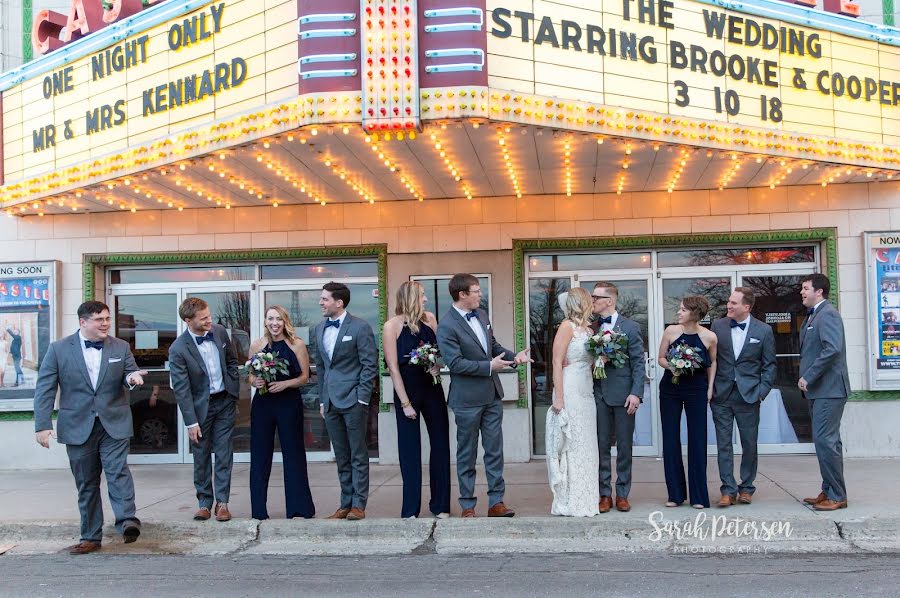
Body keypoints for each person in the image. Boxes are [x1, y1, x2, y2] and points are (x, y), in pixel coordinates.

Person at [33, 301, 148, 554]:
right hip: (76, 426)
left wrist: (132, 379)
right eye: (99, 319)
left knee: (118, 472)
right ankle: (91, 537)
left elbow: (130, 373)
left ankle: (127, 521)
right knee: (86, 483)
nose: (105, 323)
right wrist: (42, 425)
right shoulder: (58, 349)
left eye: (107, 318)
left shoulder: (120, 346)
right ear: (83, 322)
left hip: (114, 422)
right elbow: (45, 389)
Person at [436, 273, 532, 518]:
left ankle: (496, 502)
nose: (481, 294)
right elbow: (455, 364)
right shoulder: (446, 325)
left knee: (494, 451)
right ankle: (467, 505)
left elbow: (494, 347)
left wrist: (514, 358)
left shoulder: (481, 315)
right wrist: (489, 366)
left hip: (491, 396)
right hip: (466, 400)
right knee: (467, 454)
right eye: (476, 291)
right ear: (462, 295)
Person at [169, 297, 241, 522]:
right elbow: (181, 389)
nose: (210, 321)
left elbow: (231, 360)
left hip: (224, 402)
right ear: (188, 321)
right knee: (201, 457)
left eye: (209, 316)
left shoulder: (219, 332)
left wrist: (233, 385)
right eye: (204, 319)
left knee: (224, 453)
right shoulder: (178, 348)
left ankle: (222, 503)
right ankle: (204, 503)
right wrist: (191, 422)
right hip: (200, 409)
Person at [383, 281, 451, 519]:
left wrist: (437, 367)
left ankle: (441, 505)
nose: (425, 300)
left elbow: (444, 353)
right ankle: (410, 509)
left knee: (441, 445)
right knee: (410, 451)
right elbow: (392, 368)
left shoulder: (430, 320)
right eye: (421, 296)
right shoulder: (391, 326)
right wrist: (405, 403)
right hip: (407, 391)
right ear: (410, 297)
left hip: (432, 388)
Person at [314, 282, 378, 521]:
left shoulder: (360, 327)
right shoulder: (319, 329)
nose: (321, 302)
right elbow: (321, 368)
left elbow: (369, 365)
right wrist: (322, 400)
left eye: (325, 299)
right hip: (330, 403)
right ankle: (345, 504)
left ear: (339, 302)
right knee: (341, 456)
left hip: (353, 401)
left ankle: (358, 505)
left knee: (358, 455)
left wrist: (362, 398)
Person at [248, 306, 316, 520]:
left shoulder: (297, 345)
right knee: (260, 455)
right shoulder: (257, 345)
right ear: (265, 321)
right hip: (263, 403)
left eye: (278, 319)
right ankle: (258, 510)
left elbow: (305, 377)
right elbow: (249, 375)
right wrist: (255, 381)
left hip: (288, 403)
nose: (274, 323)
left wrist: (285, 384)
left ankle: (299, 508)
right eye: (270, 318)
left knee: (293, 454)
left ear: (285, 321)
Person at [710, 287, 776, 507]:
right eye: (729, 301)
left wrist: (761, 393)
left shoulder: (764, 330)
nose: (728, 305)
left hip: (749, 396)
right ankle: (727, 490)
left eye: (733, 303)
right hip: (722, 395)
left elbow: (769, 366)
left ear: (746, 307)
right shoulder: (717, 326)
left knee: (749, 444)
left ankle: (746, 488)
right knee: (724, 445)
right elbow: (711, 360)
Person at [589, 282, 645, 514]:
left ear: (609, 301)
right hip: (597, 395)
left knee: (623, 446)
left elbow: (638, 362)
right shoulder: (589, 327)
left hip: (623, 396)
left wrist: (636, 393)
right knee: (601, 446)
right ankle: (604, 495)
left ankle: (622, 493)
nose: (592, 301)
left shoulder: (630, 327)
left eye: (595, 297)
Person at [657, 296, 717, 509]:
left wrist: (710, 388)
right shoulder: (671, 331)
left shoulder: (710, 337)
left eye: (683, 310)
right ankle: (675, 494)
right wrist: (672, 367)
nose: (679, 312)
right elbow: (661, 358)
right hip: (670, 389)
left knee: (698, 440)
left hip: (696, 390)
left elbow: (712, 363)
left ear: (694, 313)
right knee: (671, 439)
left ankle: (699, 496)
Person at [799, 273, 851, 511]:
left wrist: (808, 376)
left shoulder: (827, 314)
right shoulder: (814, 315)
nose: (802, 292)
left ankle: (837, 495)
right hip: (819, 390)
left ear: (819, 291)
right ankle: (829, 489)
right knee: (826, 442)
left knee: (825, 441)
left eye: (806, 288)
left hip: (829, 390)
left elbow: (832, 350)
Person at [547, 287, 599, 517]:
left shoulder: (588, 330)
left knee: (587, 443)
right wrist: (559, 397)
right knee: (572, 443)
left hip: (586, 389)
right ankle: (570, 500)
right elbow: (557, 362)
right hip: (569, 389)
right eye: (590, 299)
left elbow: (588, 360)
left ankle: (587, 498)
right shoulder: (566, 326)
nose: (594, 302)